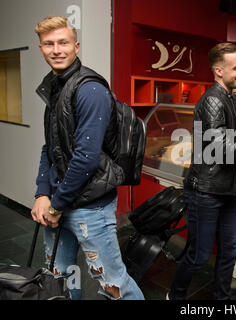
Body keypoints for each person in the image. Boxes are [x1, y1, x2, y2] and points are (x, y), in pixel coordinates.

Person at [30, 16, 144, 300]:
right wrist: (42, 193)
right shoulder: (54, 89)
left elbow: (86, 158)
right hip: (59, 200)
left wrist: (55, 205)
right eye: (49, 44)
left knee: (115, 286)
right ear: (41, 48)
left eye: (63, 43)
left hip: (90, 207)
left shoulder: (90, 89)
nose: (56, 50)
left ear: (76, 46)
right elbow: (50, 148)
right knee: (60, 281)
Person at [168, 42, 236, 300]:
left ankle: (221, 298)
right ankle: (175, 296)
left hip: (225, 190)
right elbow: (223, 149)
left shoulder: (226, 96)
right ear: (219, 71)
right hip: (205, 192)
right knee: (199, 256)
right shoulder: (214, 101)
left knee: (229, 249)